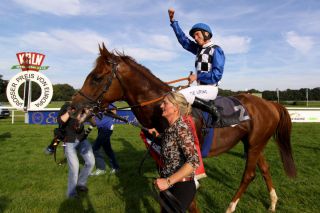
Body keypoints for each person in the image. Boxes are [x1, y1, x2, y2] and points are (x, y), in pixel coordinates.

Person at [168, 8, 235, 126]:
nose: (195, 37)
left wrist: (197, 76)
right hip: (200, 88)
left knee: (179, 96)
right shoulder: (199, 50)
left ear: (206, 34)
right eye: (194, 36)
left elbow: (217, 75)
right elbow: (184, 41)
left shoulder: (216, 49)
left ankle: (213, 111)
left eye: (197, 34)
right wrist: (173, 22)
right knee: (174, 92)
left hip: (210, 89)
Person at [150, 92, 200, 212]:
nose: (161, 106)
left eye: (165, 103)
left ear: (176, 108)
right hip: (170, 184)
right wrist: (157, 136)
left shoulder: (181, 129)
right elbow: (172, 143)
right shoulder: (171, 128)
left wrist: (167, 181)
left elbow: (194, 161)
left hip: (181, 187)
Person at [57, 102, 95, 198]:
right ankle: (71, 194)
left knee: (90, 162)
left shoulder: (84, 107)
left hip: (82, 139)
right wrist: (71, 110)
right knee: (74, 167)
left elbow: (94, 124)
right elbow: (60, 121)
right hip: (69, 140)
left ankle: (81, 183)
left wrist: (89, 114)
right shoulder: (66, 106)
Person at [90, 106, 120, 176]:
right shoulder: (94, 105)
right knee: (107, 149)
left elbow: (114, 111)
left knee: (95, 148)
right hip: (100, 129)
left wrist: (106, 110)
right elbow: (94, 123)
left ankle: (101, 169)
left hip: (107, 129)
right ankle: (116, 167)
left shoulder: (106, 103)